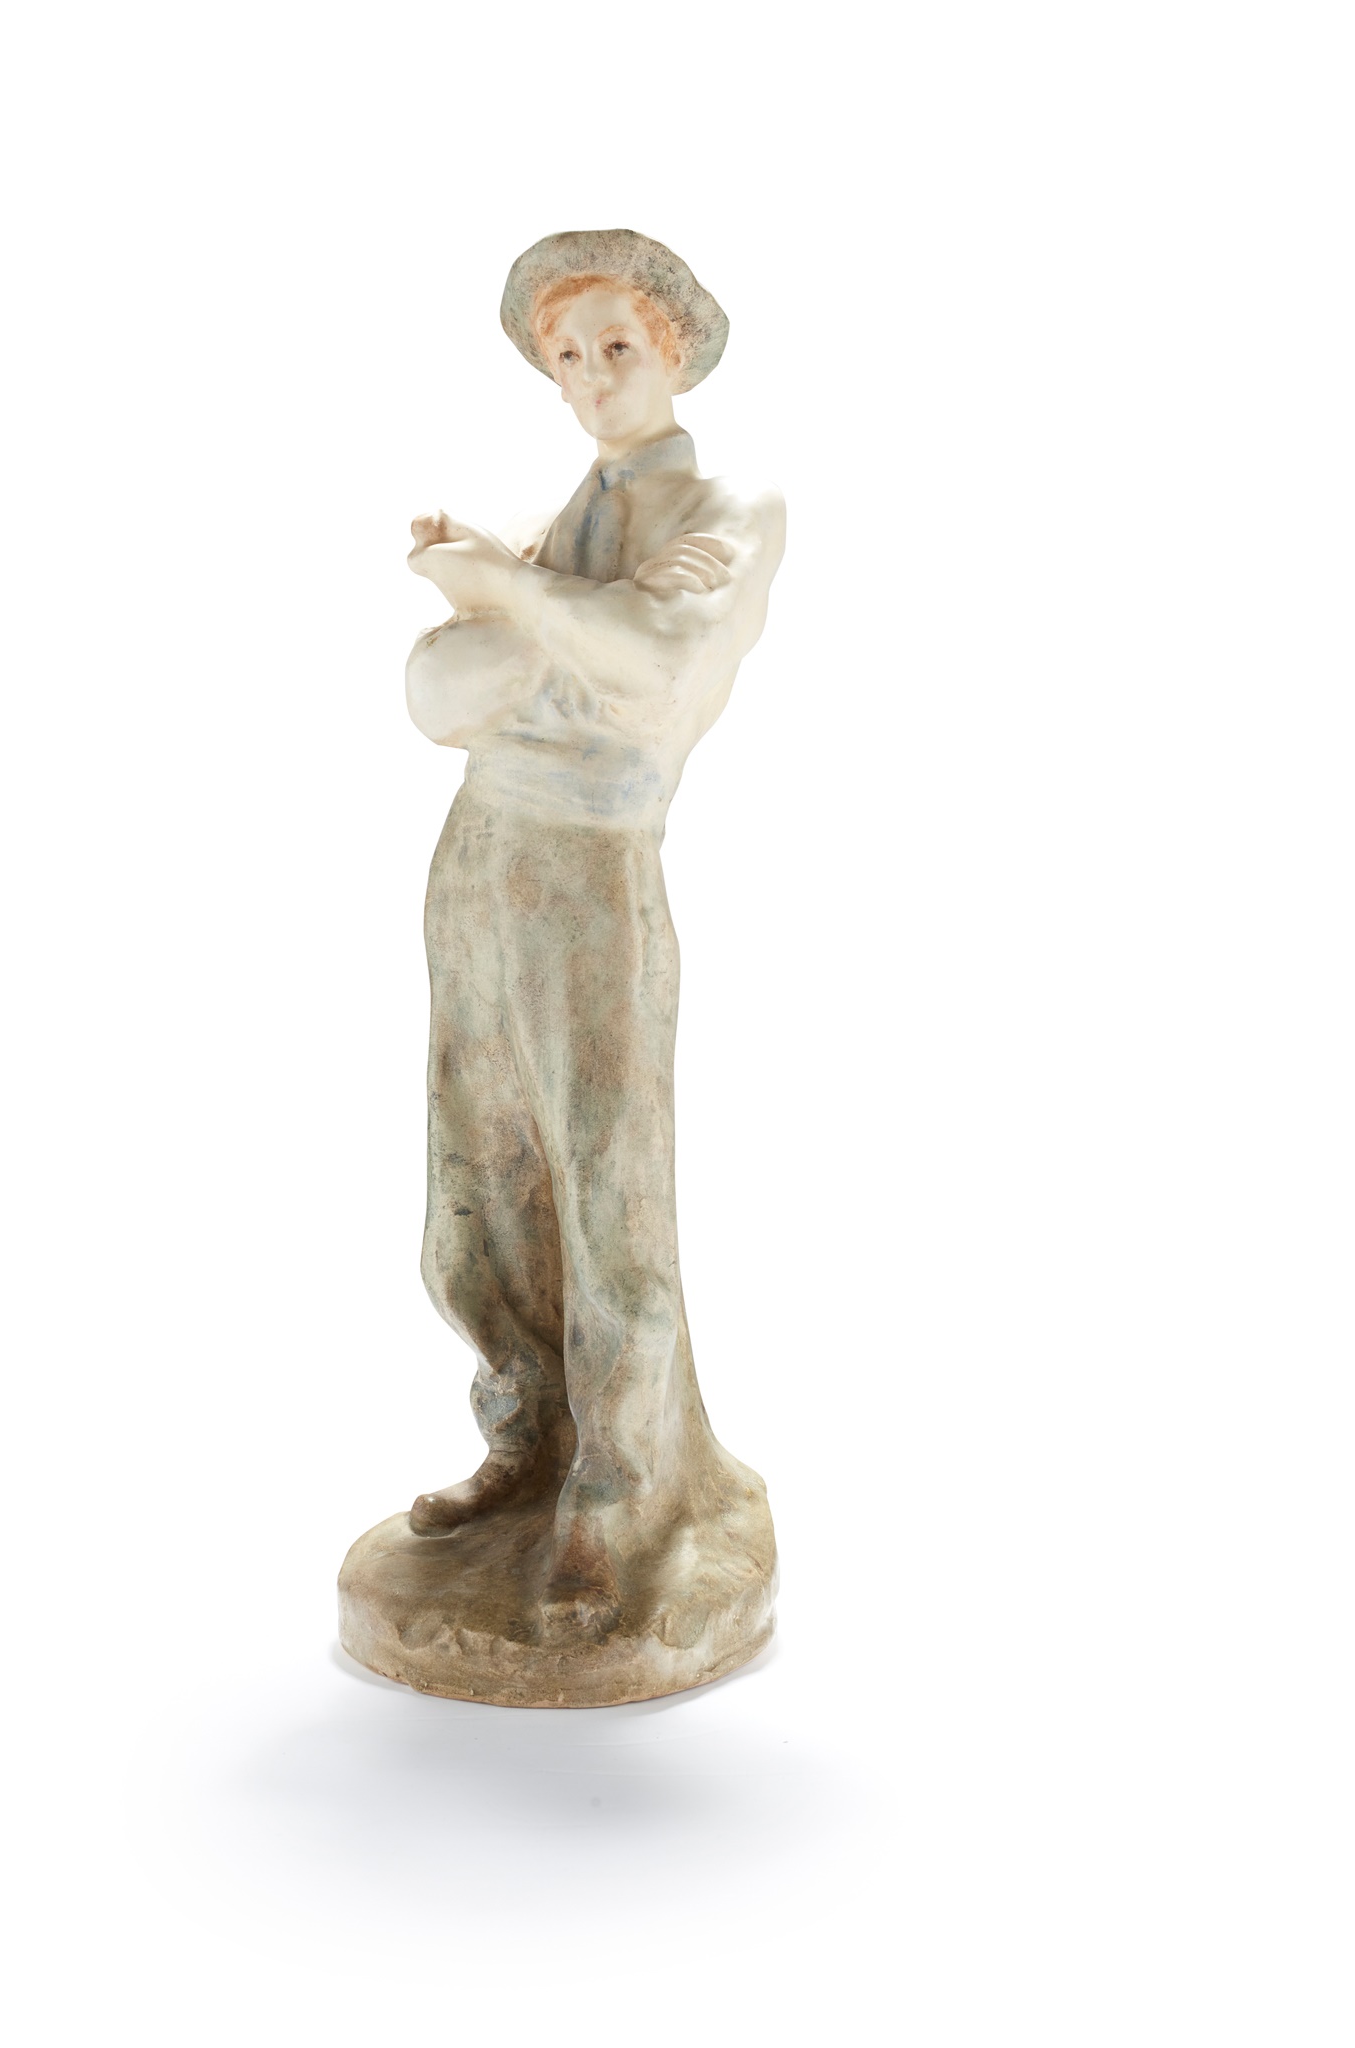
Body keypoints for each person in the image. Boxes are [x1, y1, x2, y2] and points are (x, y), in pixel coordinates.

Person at [400, 229, 785, 1644]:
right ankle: (528, 1437)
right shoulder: (559, 524)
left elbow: (659, 662)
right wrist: (555, 628)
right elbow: (434, 697)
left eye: (617, 346)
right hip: (481, 854)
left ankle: (623, 1498)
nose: (591, 376)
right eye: (567, 356)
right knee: (480, 1177)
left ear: (672, 349)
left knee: (606, 1182)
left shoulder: (730, 508)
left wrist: (510, 599)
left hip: (591, 861)